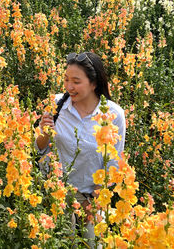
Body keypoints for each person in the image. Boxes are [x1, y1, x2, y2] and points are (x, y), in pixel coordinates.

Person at [35, 52, 126, 248]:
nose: (69, 87)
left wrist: (92, 203)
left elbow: (113, 164)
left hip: (91, 197)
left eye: (76, 81)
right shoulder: (57, 104)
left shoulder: (112, 114)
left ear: (94, 83)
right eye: (66, 79)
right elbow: (39, 149)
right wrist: (44, 133)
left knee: (92, 243)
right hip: (57, 192)